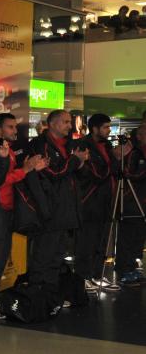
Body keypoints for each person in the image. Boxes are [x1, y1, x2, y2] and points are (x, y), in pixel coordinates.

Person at [0, 113, 46, 316]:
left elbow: (11, 176)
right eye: (9, 127)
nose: (14, 131)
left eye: (15, 127)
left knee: (0, 255)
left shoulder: (7, 149)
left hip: (7, 207)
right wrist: (25, 170)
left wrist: (30, 168)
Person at [26, 109, 89, 299]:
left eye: (70, 122)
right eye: (66, 122)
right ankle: (37, 293)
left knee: (57, 255)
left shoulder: (69, 145)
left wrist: (79, 162)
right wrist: (74, 161)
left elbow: (78, 173)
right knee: (44, 254)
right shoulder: (40, 145)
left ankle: (51, 293)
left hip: (67, 209)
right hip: (50, 209)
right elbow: (53, 173)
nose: (70, 126)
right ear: (52, 123)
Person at [74, 113, 122, 291]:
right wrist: (114, 161)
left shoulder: (107, 145)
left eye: (109, 127)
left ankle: (96, 274)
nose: (109, 130)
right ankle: (82, 277)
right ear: (94, 129)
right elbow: (96, 174)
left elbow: (115, 172)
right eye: (105, 127)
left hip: (107, 199)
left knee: (102, 239)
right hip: (90, 200)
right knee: (87, 240)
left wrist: (115, 161)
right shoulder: (84, 145)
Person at [116, 123, 146, 286]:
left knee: (138, 237)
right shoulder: (133, 153)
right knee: (128, 236)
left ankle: (132, 267)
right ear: (140, 136)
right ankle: (124, 269)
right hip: (131, 201)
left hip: (141, 200)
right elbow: (129, 174)